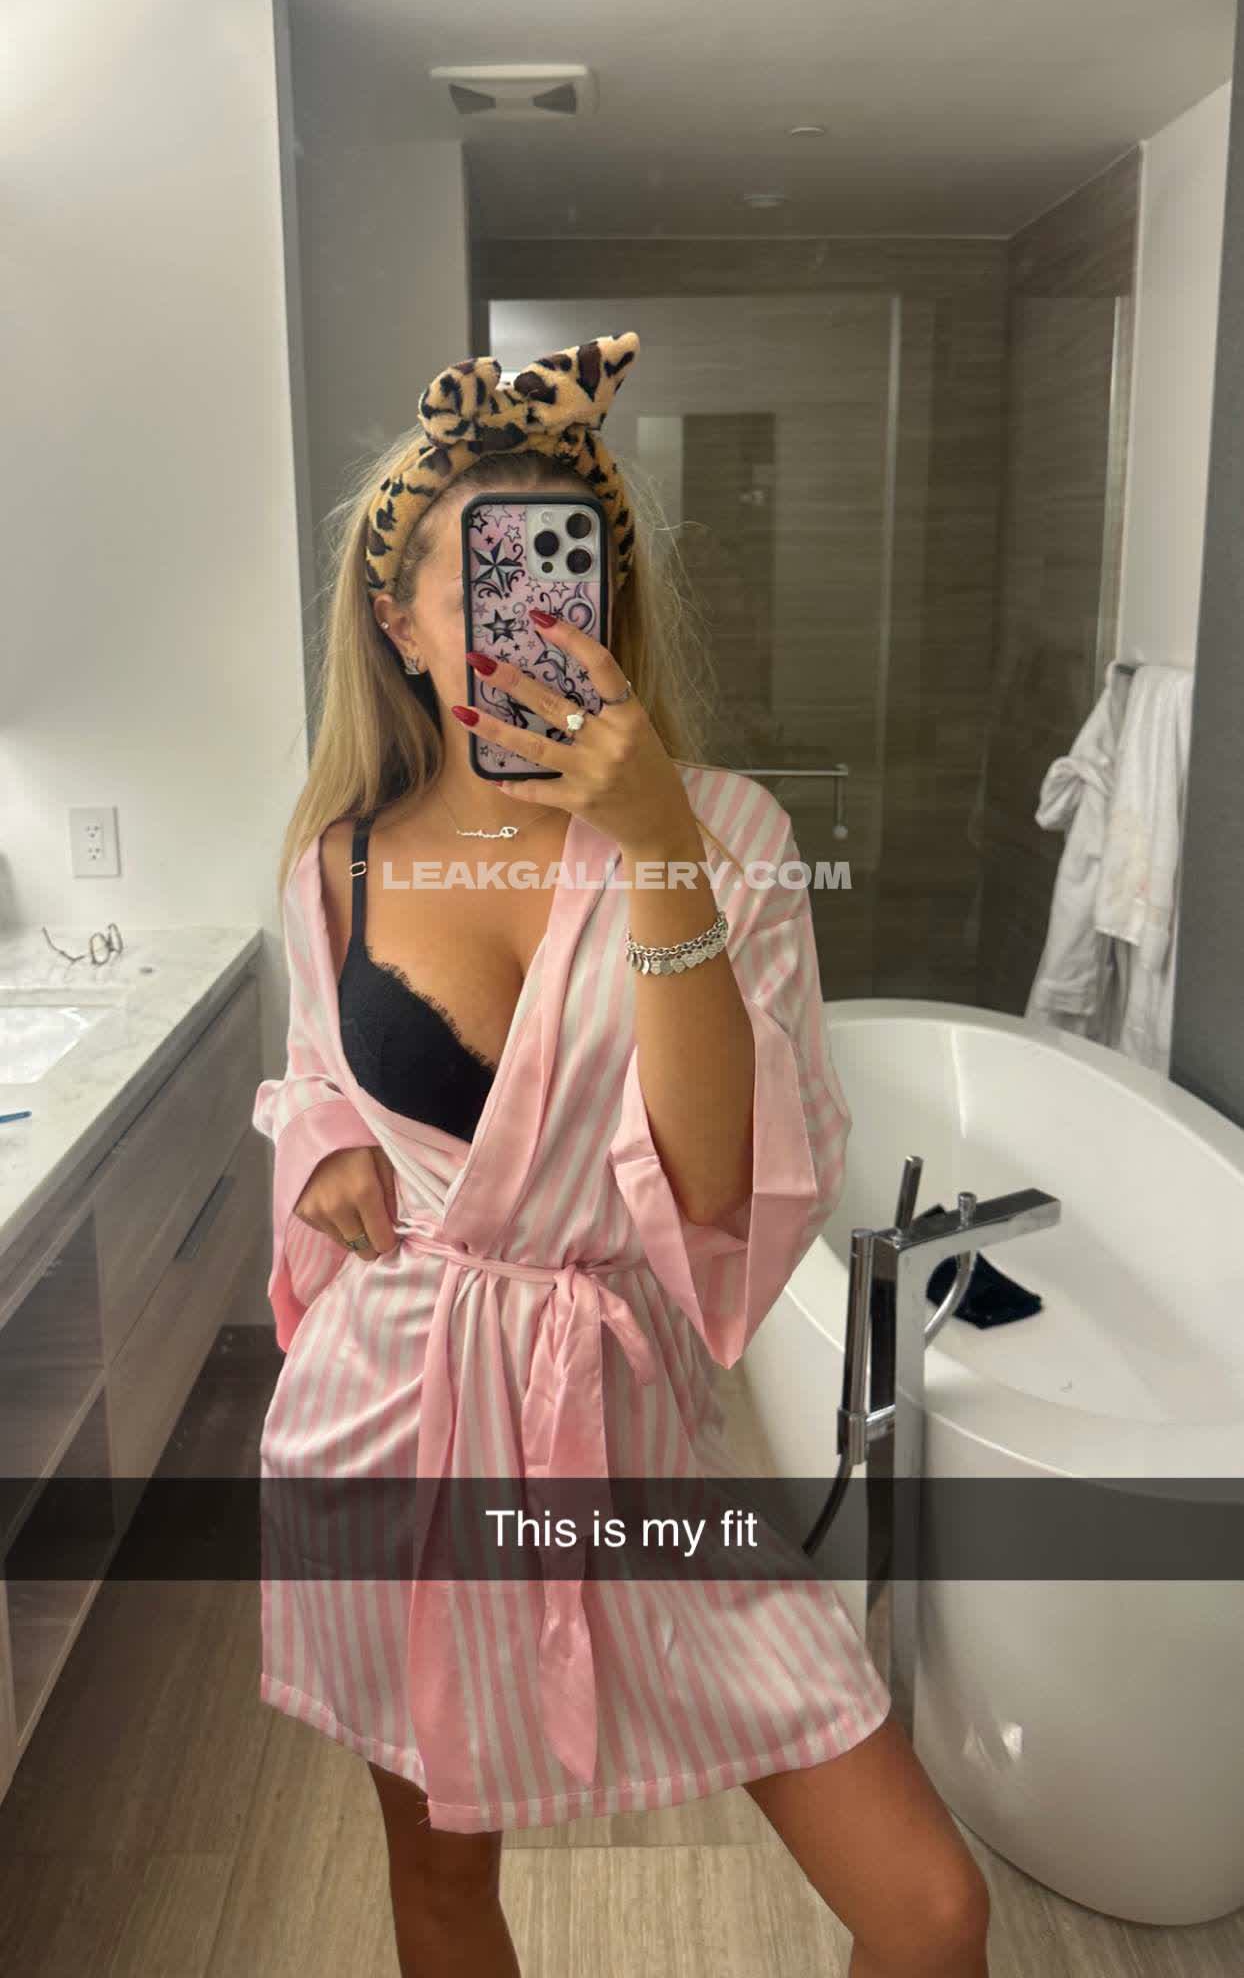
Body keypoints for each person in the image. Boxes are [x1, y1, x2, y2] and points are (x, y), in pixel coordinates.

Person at [253, 332, 991, 1977]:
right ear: (399, 623)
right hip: (391, 1428)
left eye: (565, 571)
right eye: (483, 581)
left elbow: (721, 1182)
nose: (533, 613)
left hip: (626, 1429)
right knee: (442, 1884)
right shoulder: (338, 863)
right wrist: (322, 1141)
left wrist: (656, 848)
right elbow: (312, 1069)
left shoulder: (729, 835)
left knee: (931, 1911)